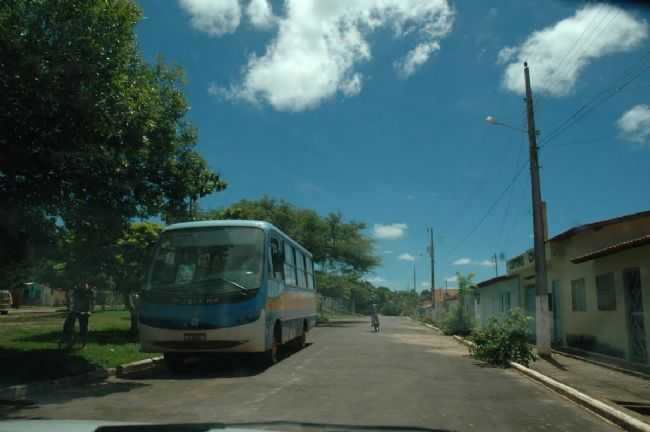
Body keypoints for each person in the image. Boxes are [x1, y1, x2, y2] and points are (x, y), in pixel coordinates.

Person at [69, 282, 95, 347]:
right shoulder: (77, 291)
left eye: (85, 286)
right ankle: (73, 340)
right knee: (73, 327)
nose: (83, 286)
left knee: (84, 328)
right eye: (82, 285)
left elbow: (92, 303)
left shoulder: (89, 292)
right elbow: (74, 301)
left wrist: (90, 312)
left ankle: (83, 343)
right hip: (77, 311)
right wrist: (73, 309)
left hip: (85, 312)